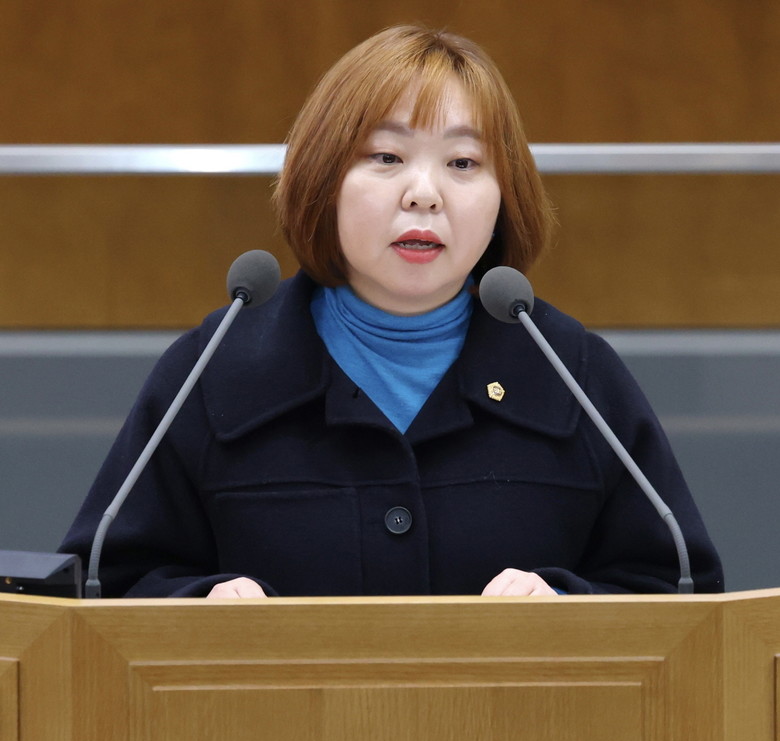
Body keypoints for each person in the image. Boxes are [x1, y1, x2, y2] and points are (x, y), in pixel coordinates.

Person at [60, 25, 723, 598]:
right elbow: (102, 584)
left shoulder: (573, 374)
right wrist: (196, 605)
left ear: (504, 195)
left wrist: (566, 606)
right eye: (386, 157)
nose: (424, 193)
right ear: (324, 179)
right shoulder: (216, 371)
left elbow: (678, 590)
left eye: (463, 162)